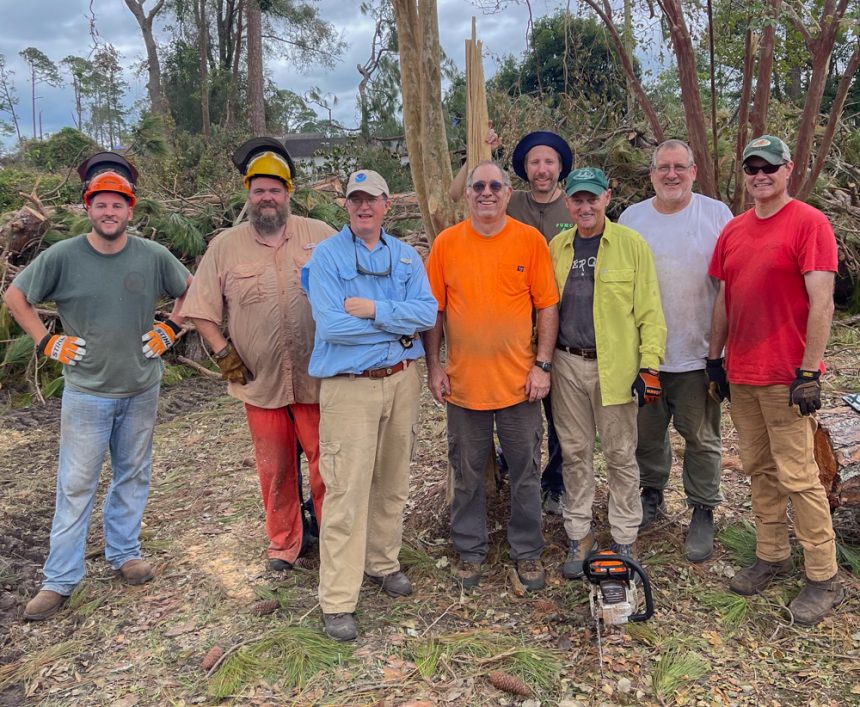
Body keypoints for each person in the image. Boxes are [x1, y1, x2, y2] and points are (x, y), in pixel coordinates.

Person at [4, 152, 191, 621]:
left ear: (131, 210)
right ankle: (59, 579)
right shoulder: (64, 256)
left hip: (141, 388)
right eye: (101, 204)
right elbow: (15, 295)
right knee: (76, 484)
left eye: (118, 204)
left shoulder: (152, 255)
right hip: (87, 393)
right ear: (89, 207)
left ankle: (124, 553)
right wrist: (47, 341)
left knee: (133, 474)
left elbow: (195, 288)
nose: (110, 212)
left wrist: (172, 327)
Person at [708, 135, 844, 625]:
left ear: (789, 170)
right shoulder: (734, 231)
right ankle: (771, 554)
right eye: (751, 168)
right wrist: (713, 358)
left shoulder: (809, 223)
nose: (760, 175)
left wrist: (810, 371)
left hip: (787, 377)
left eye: (769, 167)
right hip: (742, 372)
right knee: (760, 470)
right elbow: (725, 299)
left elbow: (822, 302)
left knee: (800, 476)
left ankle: (824, 576)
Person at [183, 137, 335, 573]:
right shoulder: (225, 247)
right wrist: (223, 353)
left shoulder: (321, 237)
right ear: (248, 196)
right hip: (259, 380)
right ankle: (284, 542)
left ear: (289, 194)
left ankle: (332, 536)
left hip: (318, 377)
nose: (267, 198)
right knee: (275, 467)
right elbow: (201, 309)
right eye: (259, 191)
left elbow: (353, 285)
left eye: (275, 190)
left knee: (328, 463)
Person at [303, 169, 437, 641]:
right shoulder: (326, 257)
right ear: (346, 206)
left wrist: (378, 311)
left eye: (372, 199)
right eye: (356, 200)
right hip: (350, 385)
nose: (364, 207)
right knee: (346, 488)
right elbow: (333, 327)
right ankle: (338, 599)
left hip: (402, 381)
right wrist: (400, 329)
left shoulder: (404, 256)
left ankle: (383, 562)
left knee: (393, 479)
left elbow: (427, 313)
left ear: (387, 205)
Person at [425, 161, 560, 592]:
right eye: (477, 186)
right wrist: (433, 365)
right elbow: (435, 312)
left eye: (494, 186)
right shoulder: (447, 244)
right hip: (465, 386)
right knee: (465, 473)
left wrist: (542, 365)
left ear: (507, 193)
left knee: (525, 472)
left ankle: (527, 551)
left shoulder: (529, 241)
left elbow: (547, 307)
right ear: (467, 194)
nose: (485, 192)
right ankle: (469, 550)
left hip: (520, 385)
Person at [618, 139, 733, 563]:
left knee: (701, 437)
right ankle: (652, 495)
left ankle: (702, 509)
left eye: (679, 167)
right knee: (646, 435)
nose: (671, 174)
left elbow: (730, 285)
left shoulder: (716, 215)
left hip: (699, 352)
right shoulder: (633, 219)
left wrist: (723, 354)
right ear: (650, 175)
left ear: (693, 171)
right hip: (645, 355)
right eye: (663, 167)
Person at [549, 167, 666, 579]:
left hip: (615, 366)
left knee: (619, 454)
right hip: (566, 364)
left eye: (592, 199)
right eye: (578, 199)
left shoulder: (631, 245)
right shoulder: (557, 248)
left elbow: (650, 312)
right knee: (575, 452)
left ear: (607, 198)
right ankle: (578, 533)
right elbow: (544, 310)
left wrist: (649, 365)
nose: (585, 206)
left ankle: (623, 534)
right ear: (568, 203)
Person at [450, 128, 573, 512]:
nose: (541, 168)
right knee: (517, 408)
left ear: (559, 168)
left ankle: (555, 482)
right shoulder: (509, 199)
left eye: (548, 161)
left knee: (559, 417)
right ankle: (506, 470)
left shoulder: (573, 206)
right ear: (523, 169)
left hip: (563, 328)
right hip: (515, 333)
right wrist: (479, 152)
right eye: (534, 161)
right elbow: (459, 193)